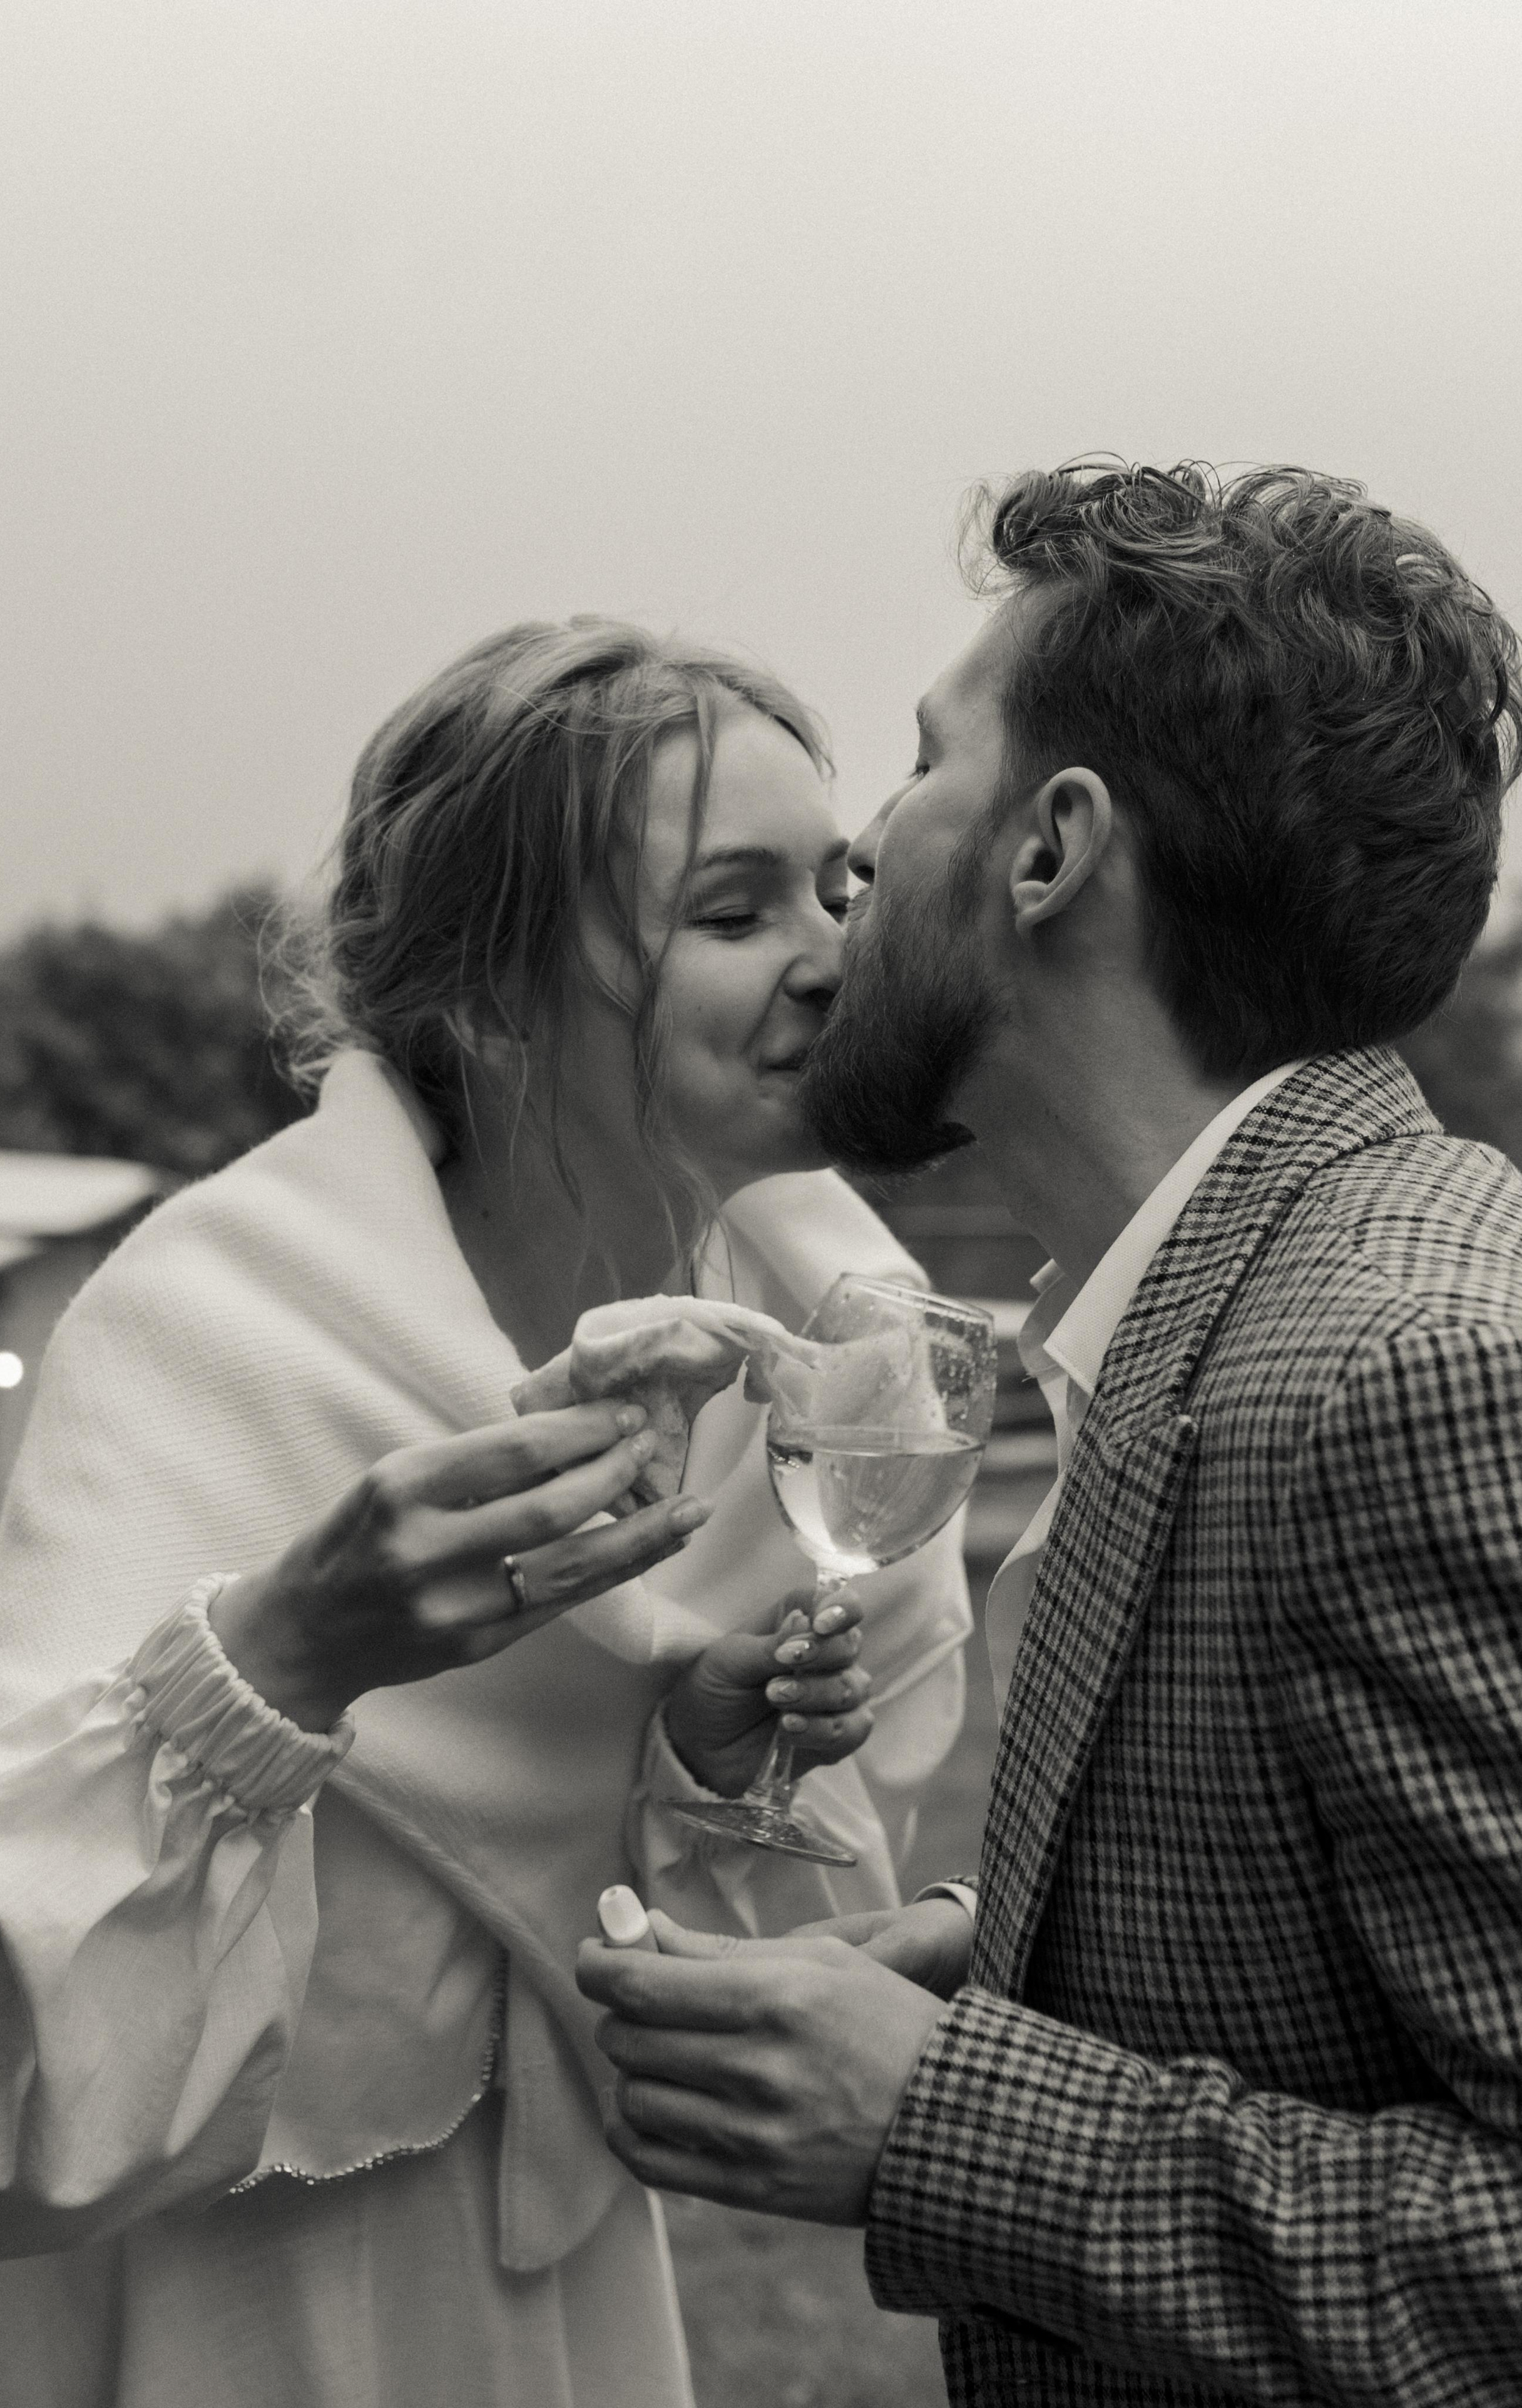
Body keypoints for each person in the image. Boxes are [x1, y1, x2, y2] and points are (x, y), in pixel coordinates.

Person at [0, 620, 973, 2407]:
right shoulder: (227, 1324)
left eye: (836, 889)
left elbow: (750, 2011)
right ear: (489, 997)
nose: (834, 960)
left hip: (549, 2308)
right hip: (193, 2309)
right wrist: (278, 1660)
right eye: (733, 913)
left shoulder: (847, 1356)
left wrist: (701, 1771)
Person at [578, 465, 1522, 2405]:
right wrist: (1012, 1956)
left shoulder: (1410, 1379)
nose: (861, 850)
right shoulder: (1237, 1307)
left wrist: (950, 2117)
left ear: (1051, 851)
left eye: (929, 762)